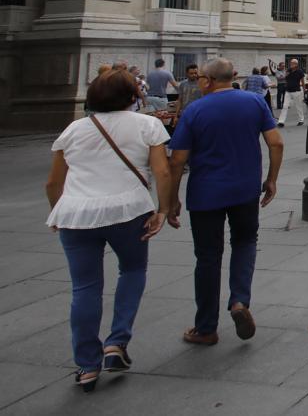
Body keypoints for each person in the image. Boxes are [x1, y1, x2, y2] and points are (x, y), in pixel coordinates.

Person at [46, 68, 174, 392]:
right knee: (132, 270)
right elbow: (162, 171)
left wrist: (58, 211)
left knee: (84, 288)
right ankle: (116, 342)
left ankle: (87, 365)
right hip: (129, 211)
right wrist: (163, 209)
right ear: (134, 97)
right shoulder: (148, 125)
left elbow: (53, 182)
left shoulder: (73, 130)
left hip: (76, 214)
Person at [168, 58, 282, 346]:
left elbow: (178, 160)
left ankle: (206, 327)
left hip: (206, 194)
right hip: (245, 191)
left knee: (207, 256)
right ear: (232, 77)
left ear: (206, 81)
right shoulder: (254, 102)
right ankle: (239, 301)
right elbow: (276, 143)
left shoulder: (194, 110)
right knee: (244, 243)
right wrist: (271, 179)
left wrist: (170, 200)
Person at [277, 58, 306, 127]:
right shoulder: (288, 70)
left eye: (292, 63)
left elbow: (302, 81)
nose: (291, 64)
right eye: (291, 63)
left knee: (298, 106)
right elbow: (285, 78)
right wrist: (286, 75)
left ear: (296, 64)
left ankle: (301, 120)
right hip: (288, 91)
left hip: (296, 91)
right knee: (284, 106)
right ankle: (281, 121)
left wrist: (304, 90)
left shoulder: (300, 71)